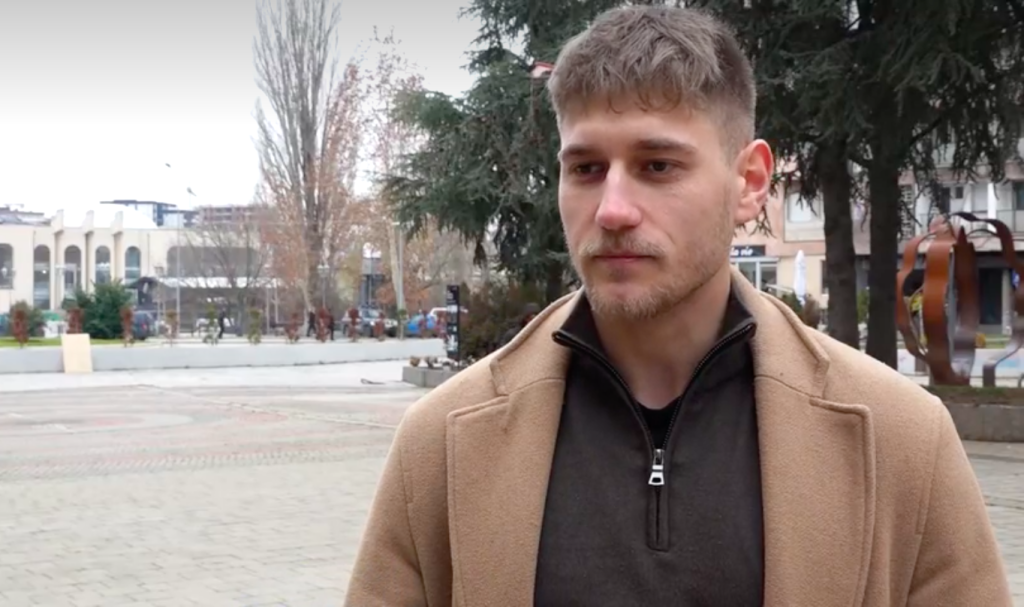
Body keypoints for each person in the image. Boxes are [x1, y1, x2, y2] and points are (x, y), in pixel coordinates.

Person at [345, 6, 1011, 607]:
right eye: (586, 169)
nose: (612, 209)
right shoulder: (441, 444)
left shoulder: (903, 440)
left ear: (749, 182)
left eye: (658, 165)